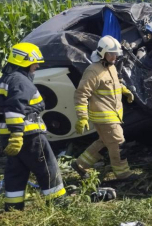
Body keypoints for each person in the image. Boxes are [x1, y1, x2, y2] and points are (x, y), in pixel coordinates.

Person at [0, 42, 66, 211]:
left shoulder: (6, 79)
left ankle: (13, 209)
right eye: (34, 62)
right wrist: (17, 134)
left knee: (16, 173)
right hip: (29, 135)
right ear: (25, 62)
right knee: (47, 168)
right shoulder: (20, 81)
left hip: (10, 138)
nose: (36, 66)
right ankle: (58, 204)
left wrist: (13, 137)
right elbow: (15, 108)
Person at [72, 35, 135, 180]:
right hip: (104, 117)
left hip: (114, 115)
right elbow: (81, 94)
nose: (114, 57)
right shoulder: (93, 71)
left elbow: (113, 83)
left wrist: (124, 90)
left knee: (105, 141)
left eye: (116, 54)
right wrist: (82, 117)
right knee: (118, 144)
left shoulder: (111, 67)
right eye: (111, 54)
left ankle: (80, 164)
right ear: (102, 53)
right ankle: (123, 174)